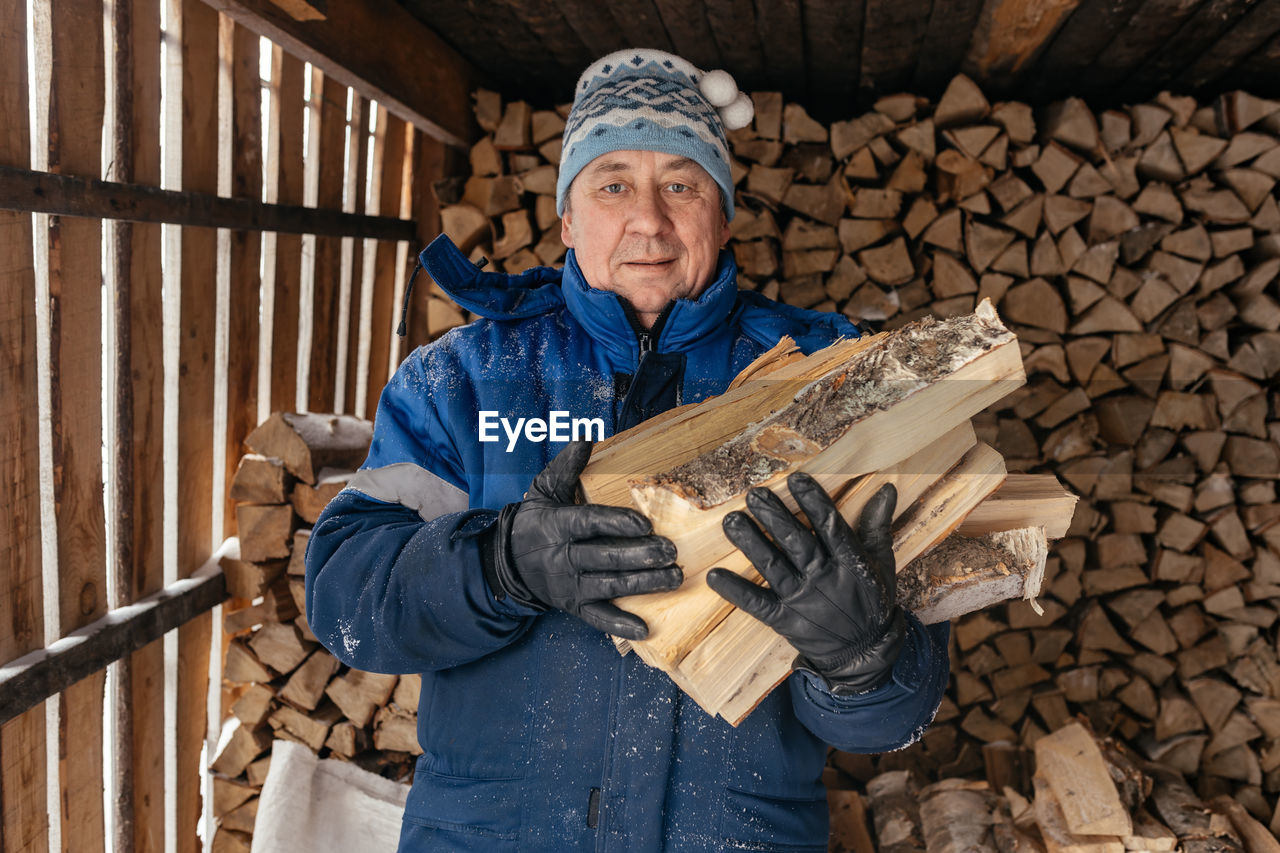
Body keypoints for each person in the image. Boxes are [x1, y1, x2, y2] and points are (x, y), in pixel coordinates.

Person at [306, 48, 950, 852]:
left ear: (724, 213)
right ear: (568, 218)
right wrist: (499, 564)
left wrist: (864, 654)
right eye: (612, 183)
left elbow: (897, 716)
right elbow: (347, 605)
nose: (648, 218)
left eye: (681, 184)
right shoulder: (460, 381)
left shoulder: (827, 388)